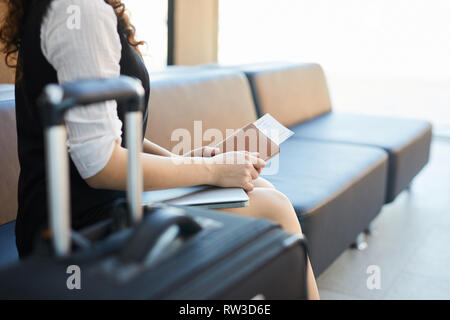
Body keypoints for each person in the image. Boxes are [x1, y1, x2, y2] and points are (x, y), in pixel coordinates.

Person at [0, 0, 319, 299]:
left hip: (86, 207)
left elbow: (115, 137)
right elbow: (100, 166)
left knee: (259, 186)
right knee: (274, 209)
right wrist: (214, 170)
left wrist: (183, 161)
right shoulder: (82, 12)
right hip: (78, 229)